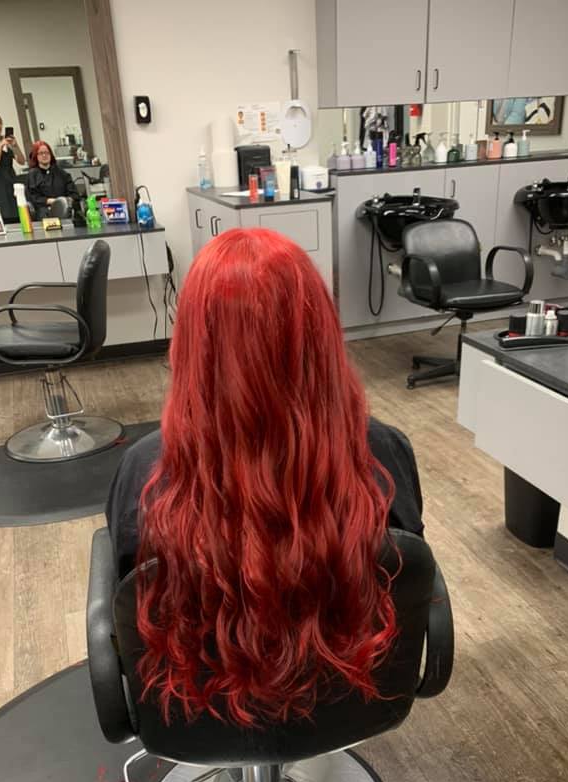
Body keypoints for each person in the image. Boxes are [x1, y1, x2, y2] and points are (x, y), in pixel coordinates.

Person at [106, 228, 424, 727]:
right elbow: (406, 581)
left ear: (193, 340)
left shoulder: (143, 470)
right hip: (346, 691)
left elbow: (127, 598)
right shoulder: (385, 451)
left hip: (197, 702)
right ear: (319, 333)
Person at [26, 141, 79, 218]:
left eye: (47, 152)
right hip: (43, 211)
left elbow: (74, 194)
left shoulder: (61, 173)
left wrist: (65, 201)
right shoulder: (32, 175)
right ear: (35, 156)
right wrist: (51, 201)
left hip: (64, 209)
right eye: (41, 153)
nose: (44, 155)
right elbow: (33, 198)